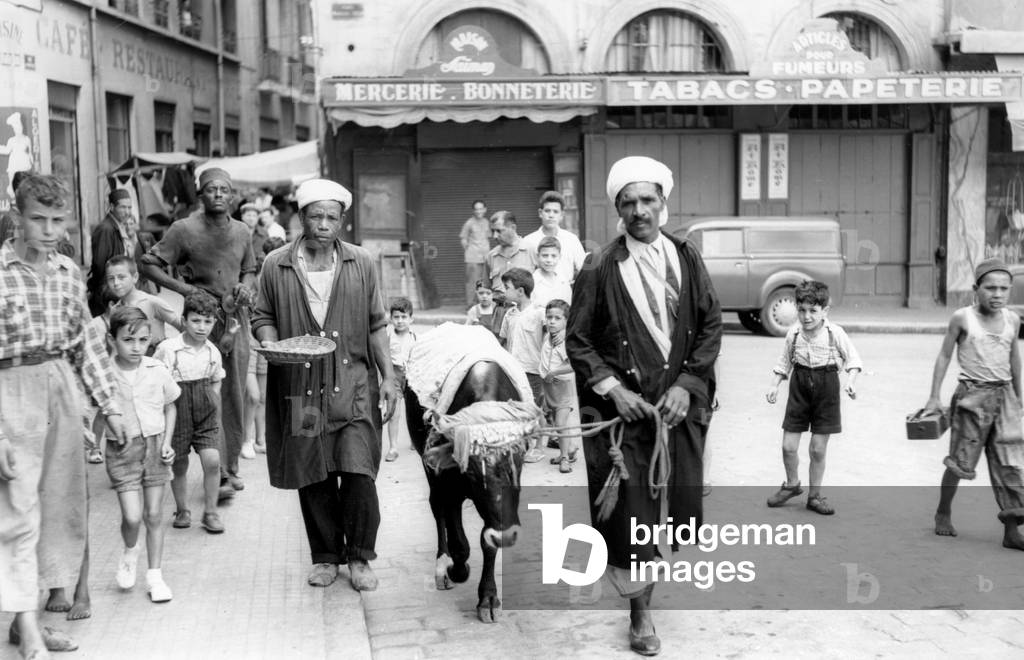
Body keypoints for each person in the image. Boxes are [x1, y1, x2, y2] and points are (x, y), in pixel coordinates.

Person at [566, 156, 722, 656]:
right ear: (617, 208)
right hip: (626, 418)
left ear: (663, 204)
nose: (639, 210)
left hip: (679, 410)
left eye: (648, 200)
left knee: (675, 504)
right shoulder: (599, 266)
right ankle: (640, 614)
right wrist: (613, 388)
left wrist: (690, 382)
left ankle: (646, 588)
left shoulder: (687, 257)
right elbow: (579, 340)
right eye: (628, 202)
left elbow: (711, 325)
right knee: (630, 513)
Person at [0, 174, 128, 658]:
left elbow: (86, 347)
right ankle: (28, 630)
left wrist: (110, 408)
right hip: (9, 392)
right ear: (18, 217)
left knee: (58, 510)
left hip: (60, 391)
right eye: (39, 219)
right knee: (16, 513)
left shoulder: (69, 272)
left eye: (58, 220)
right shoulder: (0, 271)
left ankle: (25, 618)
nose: (50, 230)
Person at [251, 178, 398, 591]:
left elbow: (376, 325)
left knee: (357, 472)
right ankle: (326, 557)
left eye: (332, 217)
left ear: (342, 221)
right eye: (315, 216)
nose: (324, 224)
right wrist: (271, 343)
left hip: (353, 386)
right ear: (300, 217)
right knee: (313, 474)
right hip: (301, 386)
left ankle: (361, 557)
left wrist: (389, 377)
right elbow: (262, 316)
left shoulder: (360, 263)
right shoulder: (276, 264)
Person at [140, 167, 256, 496]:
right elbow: (148, 263)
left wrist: (245, 288)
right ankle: (213, 469)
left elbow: (249, 269)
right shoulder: (183, 229)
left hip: (235, 323)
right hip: (201, 322)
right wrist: (185, 290)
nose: (218, 194)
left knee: (234, 393)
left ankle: (229, 468)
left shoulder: (243, 232)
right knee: (205, 395)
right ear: (200, 196)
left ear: (232, 195)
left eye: (224, 189)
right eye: (211, 189)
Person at [922, 258, 1024, 550]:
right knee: (960, 462)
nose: (998, 294)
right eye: (990, 287)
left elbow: (1014, 359)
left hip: (1004, 397)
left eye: (1004, 288)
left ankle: (1012, 530)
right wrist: (933, 396)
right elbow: (943, 356)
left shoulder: (1013, 320)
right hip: (971, 398)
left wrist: (1019, 396)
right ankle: (943, 510)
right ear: (975, 289)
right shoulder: (962, 318)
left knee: (1011, 463)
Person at [765, 280, 861, 515]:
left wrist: (850, 382)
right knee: (788, 446)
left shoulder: (835, 333)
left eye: (813, 311)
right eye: (801, 310)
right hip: (799, 388)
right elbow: (783, 363)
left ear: (824, 311)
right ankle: (791, 484)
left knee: (817, 449)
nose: (806, 317)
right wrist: (774, 386)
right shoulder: (793, 334)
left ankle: (815, 496)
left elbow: (854, 361)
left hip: (826, 388)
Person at [104, 306, 180, 602]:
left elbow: (170, 405)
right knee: (132, 517)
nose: (136, 348)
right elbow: (99, 413)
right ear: (113, 340)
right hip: (122, 450)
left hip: (155, 447)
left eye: (143, 340)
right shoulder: (105, 374)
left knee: (153, 514)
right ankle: (130, 549)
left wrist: (168, 441)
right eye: (128, 340)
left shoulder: (157, 369)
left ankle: (155, 576)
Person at [154, 290, 229, 534]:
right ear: (184, 320)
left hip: (205, 412)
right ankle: (182, 508)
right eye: (196, 320)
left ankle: (210, 512)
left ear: (214, 323)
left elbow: (217, 378)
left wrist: (213, 397)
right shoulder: (168, 349)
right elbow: (155, 377)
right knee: (179, 462)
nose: (201, 327)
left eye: (208, 321)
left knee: (213, 460)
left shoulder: (212, 351)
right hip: (177, 410)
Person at [241, 236, 286, 460]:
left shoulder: (284, 280)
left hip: (268, 341)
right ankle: (246, 440)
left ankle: (260, 439)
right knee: (253, 395)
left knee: (263, 395)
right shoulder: (254, 282)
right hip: (249, 338)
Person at [499, 267, 547, 463]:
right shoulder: (509, 314)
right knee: (516, 407)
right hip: (513, 370)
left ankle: (540, 446)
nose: (504, 291)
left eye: (507, 287)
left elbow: (551, 338)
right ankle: (521, 444)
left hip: (533, 370)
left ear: (520, 291)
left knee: (535, 408)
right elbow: (502, 341)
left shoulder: (539, 313)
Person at [104, 255, 181, 352]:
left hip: (156, 358)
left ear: (135, 277)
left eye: (121, 277)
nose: (116, 283)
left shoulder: (152, 302)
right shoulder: (115, 310)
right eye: (111, 278)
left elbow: (183, 327)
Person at [87, 189, 142, 317]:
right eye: (123, 207)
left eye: (129, 207)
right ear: (111, 207)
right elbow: (99, 265)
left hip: (117, 290)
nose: (127, 212)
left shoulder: (118, 226)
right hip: (107, 294)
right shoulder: (106, 229)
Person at [539, 299, 579, 473]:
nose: (552, 321)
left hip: (562, 386)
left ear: (566, 321)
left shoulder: (565, 340)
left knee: (561, 423)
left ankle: (564, 459)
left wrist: (554, 372)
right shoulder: (549, 336)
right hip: (549, 387)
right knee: (556, 423)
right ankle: (569, 450)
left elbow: (574, 364)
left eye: (557, 318)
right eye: (549, 317)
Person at [522, 190, 586, 285]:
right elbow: (524, 274)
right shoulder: (528, 241)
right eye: (547, 211)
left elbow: (583, 269)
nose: (551, 215)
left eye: (555, 212)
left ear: (561, 215)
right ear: (540, 213)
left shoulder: (571, 240)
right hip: (539, 293)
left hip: (565, 292)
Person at [385, 297, 416, 462]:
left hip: (411, 376)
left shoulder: (415, 338)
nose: (400, 321)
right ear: (391, 319)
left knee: (413, 410)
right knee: (394, 413)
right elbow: (383, 361)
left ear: (411, 318)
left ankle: (414, 441)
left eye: (404, 317)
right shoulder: (388, 338)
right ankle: (393, 447)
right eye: (396, 317)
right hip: (394, 375)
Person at [485, 211, 533, 295]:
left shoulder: (531, 251)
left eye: (499, 231)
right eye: (493, 231)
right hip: (499, 306)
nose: (495, 236)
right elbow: (485, 288)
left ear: (513, 228)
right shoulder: (491, 256)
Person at [459, 200, 490, 308]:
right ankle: (470, 306)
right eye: (476, 209)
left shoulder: (487, 222)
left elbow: (488, 237)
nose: (479, 211)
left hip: (485, 258)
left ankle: (481, 305)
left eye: (481, 209)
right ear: (473, 211)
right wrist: (469, 251)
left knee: (483, 282)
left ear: (485, 209)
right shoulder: (469, 223)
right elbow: (463, 238)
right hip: (473, 258)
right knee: (472, 283)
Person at [531, 236, 573, 307]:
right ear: (538, 256)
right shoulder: (532, 281)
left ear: (559, 256)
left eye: (553, 256)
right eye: (545, 255)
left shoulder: (563, 280)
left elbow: (569, 304)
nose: (549, 260)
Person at [0, 112, 33, 198]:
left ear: (22, 127)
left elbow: (30, 152)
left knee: (24, 183)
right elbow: (7, 150)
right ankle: (14, 196)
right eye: (16, 128)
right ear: (14, 129)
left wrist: (31, 160)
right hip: (14, 163)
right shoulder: (11, 140)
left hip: (24, 163)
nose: (18, 129)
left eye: (19, 127)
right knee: (13, 182)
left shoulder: (26, 139)